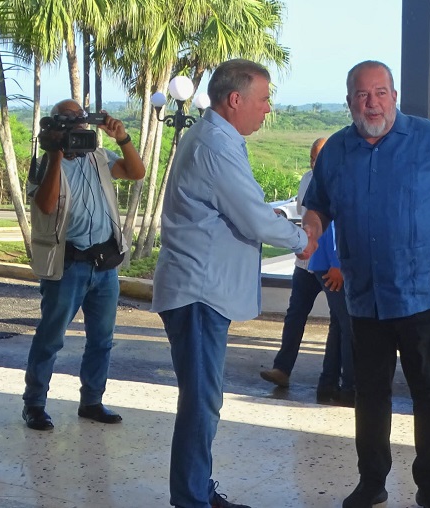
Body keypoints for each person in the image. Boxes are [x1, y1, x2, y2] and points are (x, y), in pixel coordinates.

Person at [301, 60, 430, 508]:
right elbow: (318, 207)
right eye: (362, 95)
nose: (372, 103)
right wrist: (309, 233)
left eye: (380, 92)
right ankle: (372, 482)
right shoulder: (336, 151)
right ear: (349, 102)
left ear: (395, 96)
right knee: (370, 396)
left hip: (425, 294)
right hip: (365, 298)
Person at [151, 59, 317, 508]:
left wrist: (275, 220)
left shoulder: (218, 139)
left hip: (204, 290)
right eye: (263, 99)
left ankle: (197, 489)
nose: (267, 109)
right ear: (235, 99)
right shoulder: (215, 146)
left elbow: (241, 208)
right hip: (198, 292)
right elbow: (251, 217)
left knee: (204, 400)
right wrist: (302, 239)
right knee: (202, 402)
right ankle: (190, 499)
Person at [21, 99, 145, 430]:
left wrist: (122, 137)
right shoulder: (44, 164)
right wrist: (56, 154)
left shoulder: (99, 158)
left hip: (104, 265)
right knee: (51, 337)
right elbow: (46, 207)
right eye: (71, 121)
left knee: (102, 340)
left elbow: (137, 173)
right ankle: (34, 404)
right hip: (68, 265)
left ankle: (92, 401)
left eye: (82, 120)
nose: (80, 126)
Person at [260, 138, 355, 405]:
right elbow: (302, 207)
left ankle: (341, 385)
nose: (315, 164)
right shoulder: (308, 178)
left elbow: (339, 225)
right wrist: (281, 210)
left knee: (343, 323)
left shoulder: (340, 180)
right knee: (296, 315)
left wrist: (338, 265)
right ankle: (284, 369)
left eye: (319, 158)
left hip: (330, 264)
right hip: (307, 263)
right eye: (312, 159)